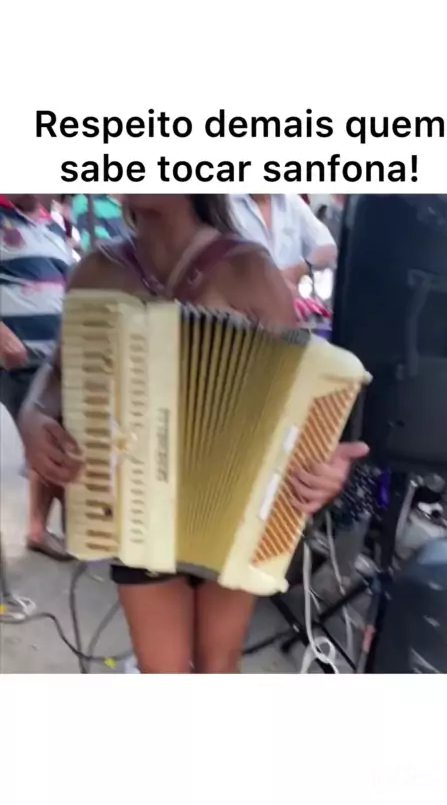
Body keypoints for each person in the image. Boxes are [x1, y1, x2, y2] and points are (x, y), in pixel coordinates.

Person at [19, 194, 367, 673]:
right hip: (131, 506)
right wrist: (33, 415)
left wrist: (325, 468)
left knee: (217, 668)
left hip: (237, 508)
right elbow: (59, 372)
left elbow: (302, 399)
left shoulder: (250, 270)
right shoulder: (97, 271)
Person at [0, 193, 73, 559]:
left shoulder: (53, 227)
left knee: (50, 441)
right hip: (18, 358)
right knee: (50, 443)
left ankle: (37, 528)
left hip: (55, 358)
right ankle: (82, 529)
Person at [229, 194, 337, 291]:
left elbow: (329, 247)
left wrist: (300, 269)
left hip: (294, 300)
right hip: (250, 300)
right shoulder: (228, 207)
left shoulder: (291, 201)